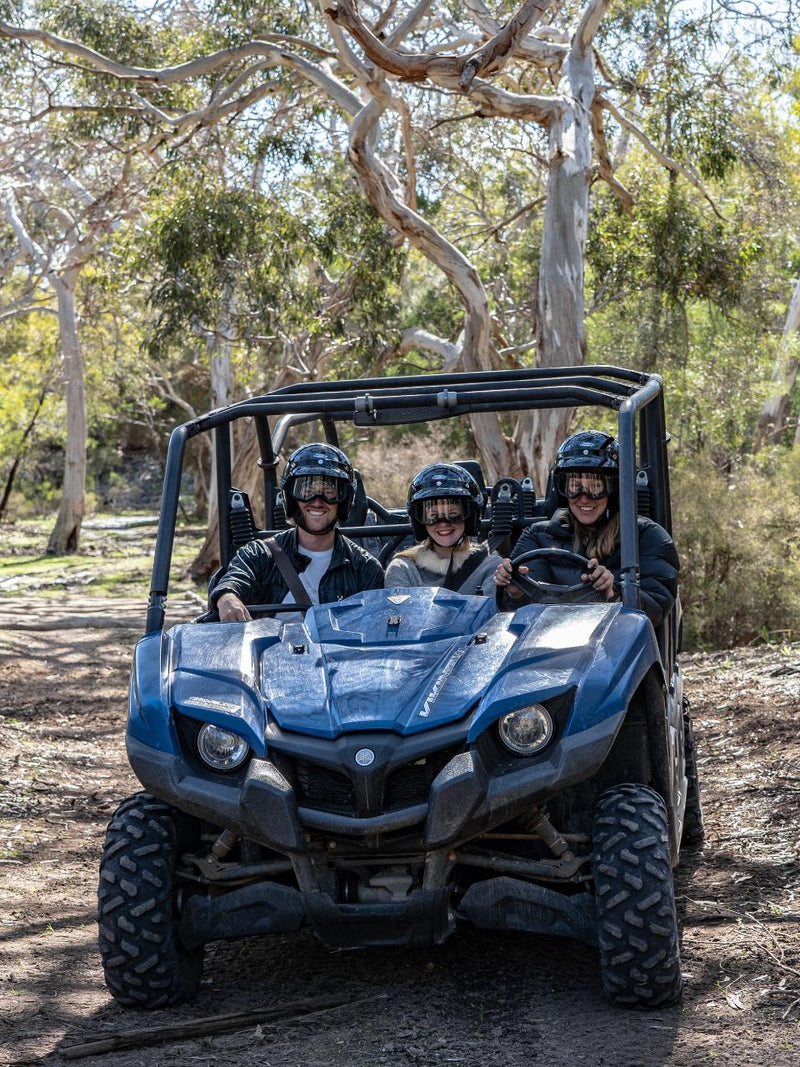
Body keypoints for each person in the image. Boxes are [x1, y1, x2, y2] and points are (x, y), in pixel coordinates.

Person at [494, 430, 679, 626]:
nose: (584, 498)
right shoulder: (538, 535)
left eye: (596, 487)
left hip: (616, 639)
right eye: (574, 486)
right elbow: (516, 616)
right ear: (562, 490)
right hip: (547, 639)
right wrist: (516, 593)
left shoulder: (646, 537)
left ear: (614, 489)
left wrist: (616, 594)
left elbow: (657, 607)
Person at [212, 443, 383, 622]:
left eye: (329, 492)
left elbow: (375, 626)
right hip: (272, 641)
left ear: (344, 500)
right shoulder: (260, 554)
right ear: (291, 498)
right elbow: (236, 578)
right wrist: (227, 596)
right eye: (306, 491)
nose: (317, 502)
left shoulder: (364, 568)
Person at [384, 463, 499, 594]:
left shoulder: (490, 566)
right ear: (419, 522)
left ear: (469, 518)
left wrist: (514, 594)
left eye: (453, 514)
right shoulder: (403, 569)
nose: (443, 523)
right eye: (433, 516)